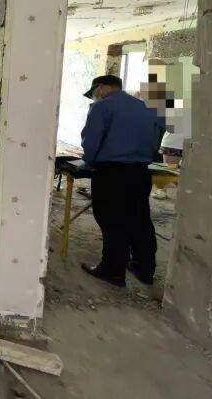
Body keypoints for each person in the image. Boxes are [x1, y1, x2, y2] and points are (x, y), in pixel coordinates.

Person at [80, 75, 164, 287]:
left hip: (111, 174)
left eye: (94, 93)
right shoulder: (147, 108)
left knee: (112, 220)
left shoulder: (101, 107)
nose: (95, 97)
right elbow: (158, 137)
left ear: (101, 88)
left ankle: (113, 270)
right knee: (140, 220)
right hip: (140, 173)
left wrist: (89, 163)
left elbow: (91, 142)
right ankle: (144, 269)